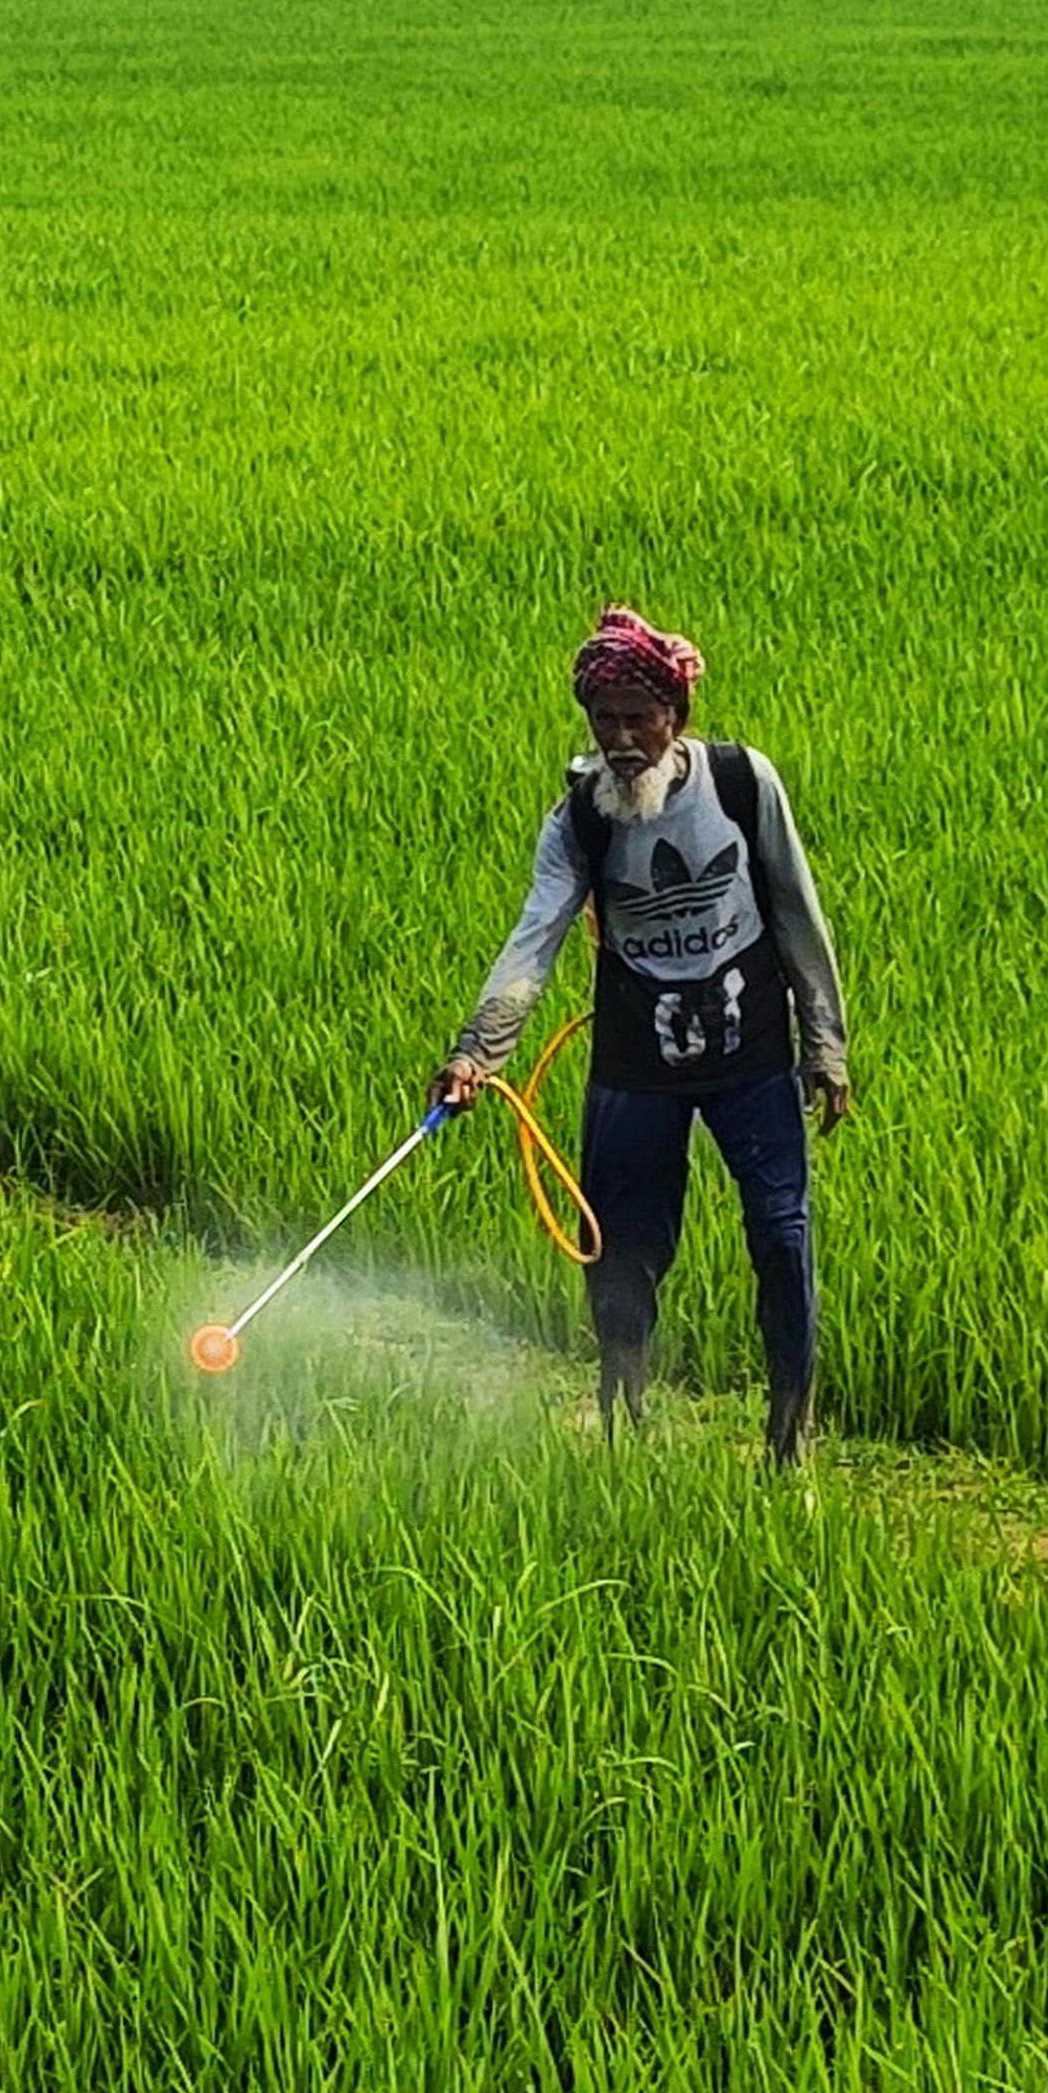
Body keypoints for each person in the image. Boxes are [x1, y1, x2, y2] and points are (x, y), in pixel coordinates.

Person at [437, 608, 854, 1462]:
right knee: (621, 1248)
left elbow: (797, 914)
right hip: (636, 1061)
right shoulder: (581, 821)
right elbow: (535, 940)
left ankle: (791, 1431)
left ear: (678, 718)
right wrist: (478, 1052)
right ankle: (623, 1414)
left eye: (641, 718)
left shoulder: (741, 783)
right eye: (606, 720)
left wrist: (826, 1045)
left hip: (752, 1054)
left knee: (782, 1232)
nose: (624, 738)